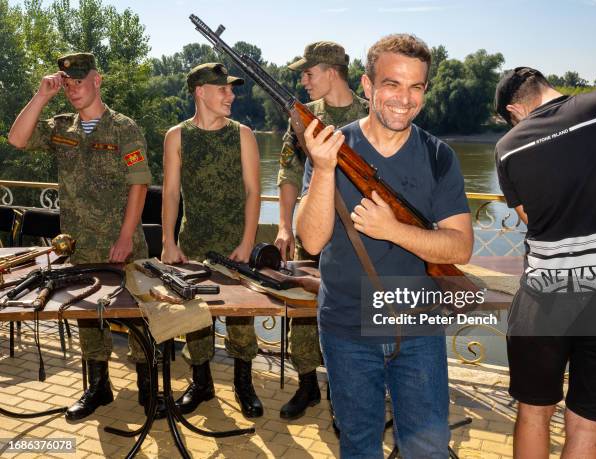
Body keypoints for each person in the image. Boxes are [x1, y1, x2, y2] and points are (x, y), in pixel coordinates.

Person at [296, 34, 473, 458]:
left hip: (419, 327)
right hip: (347, 326)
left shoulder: (438, 156)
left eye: (416, 87)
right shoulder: (330, 148)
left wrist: (392, 230)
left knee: (429, 447)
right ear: (368, 86)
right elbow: (312, 240)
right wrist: (323, 168)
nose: (405, 99)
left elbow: (460, 248)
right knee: (358, 446)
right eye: (392, 84)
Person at [7, 53, 153, 421]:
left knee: (138, 315)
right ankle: (99, 387)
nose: (73, 89)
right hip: (79, 244)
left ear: (97, 80)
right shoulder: (61, 128)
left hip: (123, 245)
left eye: (79, 81)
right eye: (67, 83)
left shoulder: (124, 128)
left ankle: (148, 386)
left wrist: (124, 236)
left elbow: (139, 184)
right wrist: (41, 96)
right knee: (88, 316)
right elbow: (17, 139)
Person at [494, 67, 596, 459]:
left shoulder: (508, 147)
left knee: (533, 412)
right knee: (587, 424)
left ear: (514, 108)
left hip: (544, 297)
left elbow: (529, 216)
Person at [161, 63, 263, 418]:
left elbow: (254, 193)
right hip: (193, 244)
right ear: (200, 91)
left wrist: (248, 242)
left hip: (235, 244)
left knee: (241, 319)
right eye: (223, 89)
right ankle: (201, 384)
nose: (230, 95)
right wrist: (168, 241)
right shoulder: (177, 136)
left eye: (232, 90)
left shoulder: (243, 134)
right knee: (195, 317)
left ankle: (243, 384)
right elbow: (171, 193)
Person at [274, 41, 368, 420]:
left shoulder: (370, 111)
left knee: (355, 312)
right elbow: (288, 172)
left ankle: (347, 391)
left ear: (331, 72)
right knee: (302, 310)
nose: (303, 79)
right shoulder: (303, 117)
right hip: (311, 229)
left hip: (358, 236)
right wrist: (284, 226)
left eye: (308, 72)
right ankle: (307, 384)